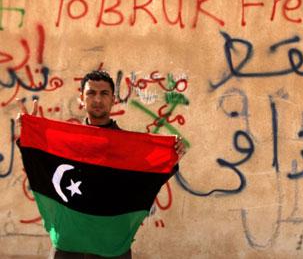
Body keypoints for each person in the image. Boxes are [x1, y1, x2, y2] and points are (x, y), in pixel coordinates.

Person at [16, 70, 186, 259]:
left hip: (111, 248)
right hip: (69, 250)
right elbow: (39, 163)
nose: (97, 99)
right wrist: (30, 134)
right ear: (82, 98)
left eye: (104, 94)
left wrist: (172, 156)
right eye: (91, 93)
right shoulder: (67, 145)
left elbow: (149, 178)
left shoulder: (128, 148)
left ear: (113, 99)